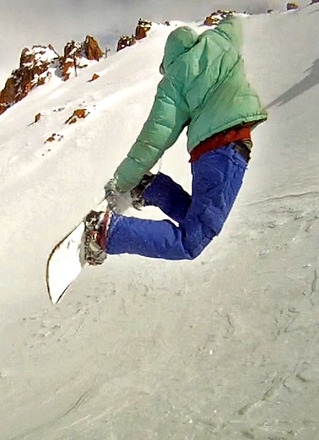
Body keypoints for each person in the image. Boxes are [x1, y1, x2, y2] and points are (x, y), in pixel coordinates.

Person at [83, 14, 267, 265]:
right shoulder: (221, 42)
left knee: (194, 220)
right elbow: (233, 25)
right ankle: (107, 231)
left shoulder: (175, 80)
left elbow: (153, 138)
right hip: (228, 149)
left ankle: (151, 187)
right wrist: (228, 20)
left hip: (214, 153)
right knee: (192, 241)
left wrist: (123, 180)